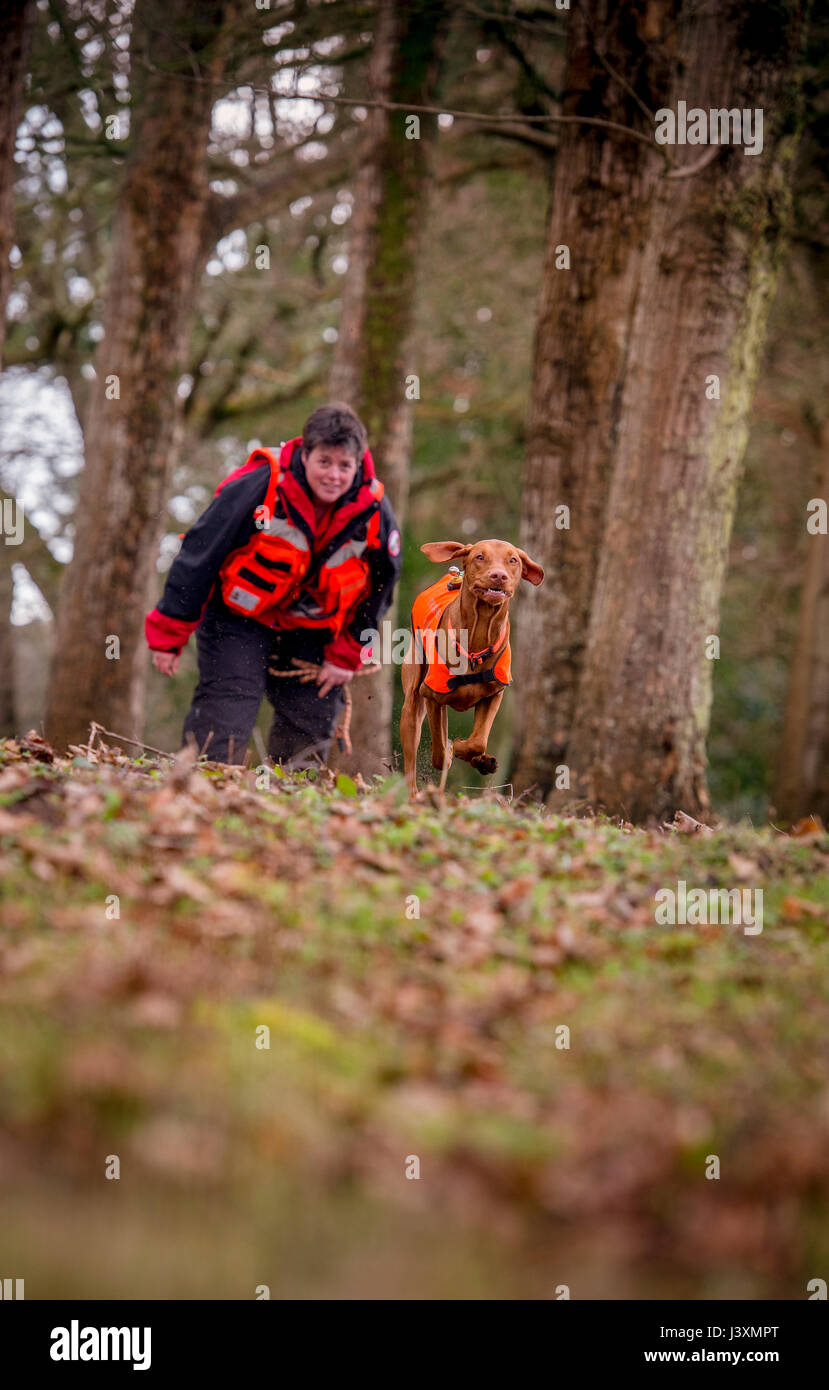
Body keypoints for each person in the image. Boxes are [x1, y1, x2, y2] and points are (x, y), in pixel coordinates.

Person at [145, 403, 402, 767]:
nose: (334, 475)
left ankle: (292, 809)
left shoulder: (375, 511)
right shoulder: (258, 485)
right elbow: (200, 553)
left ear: (359, 464)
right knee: (227, 708)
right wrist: (170, 633)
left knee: (308, 729)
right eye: (325, 462)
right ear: (305, 453)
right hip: (237, 619)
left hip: (313, 631)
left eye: (345, 466)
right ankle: (205, 792)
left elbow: (380, 588)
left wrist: (347, 654)